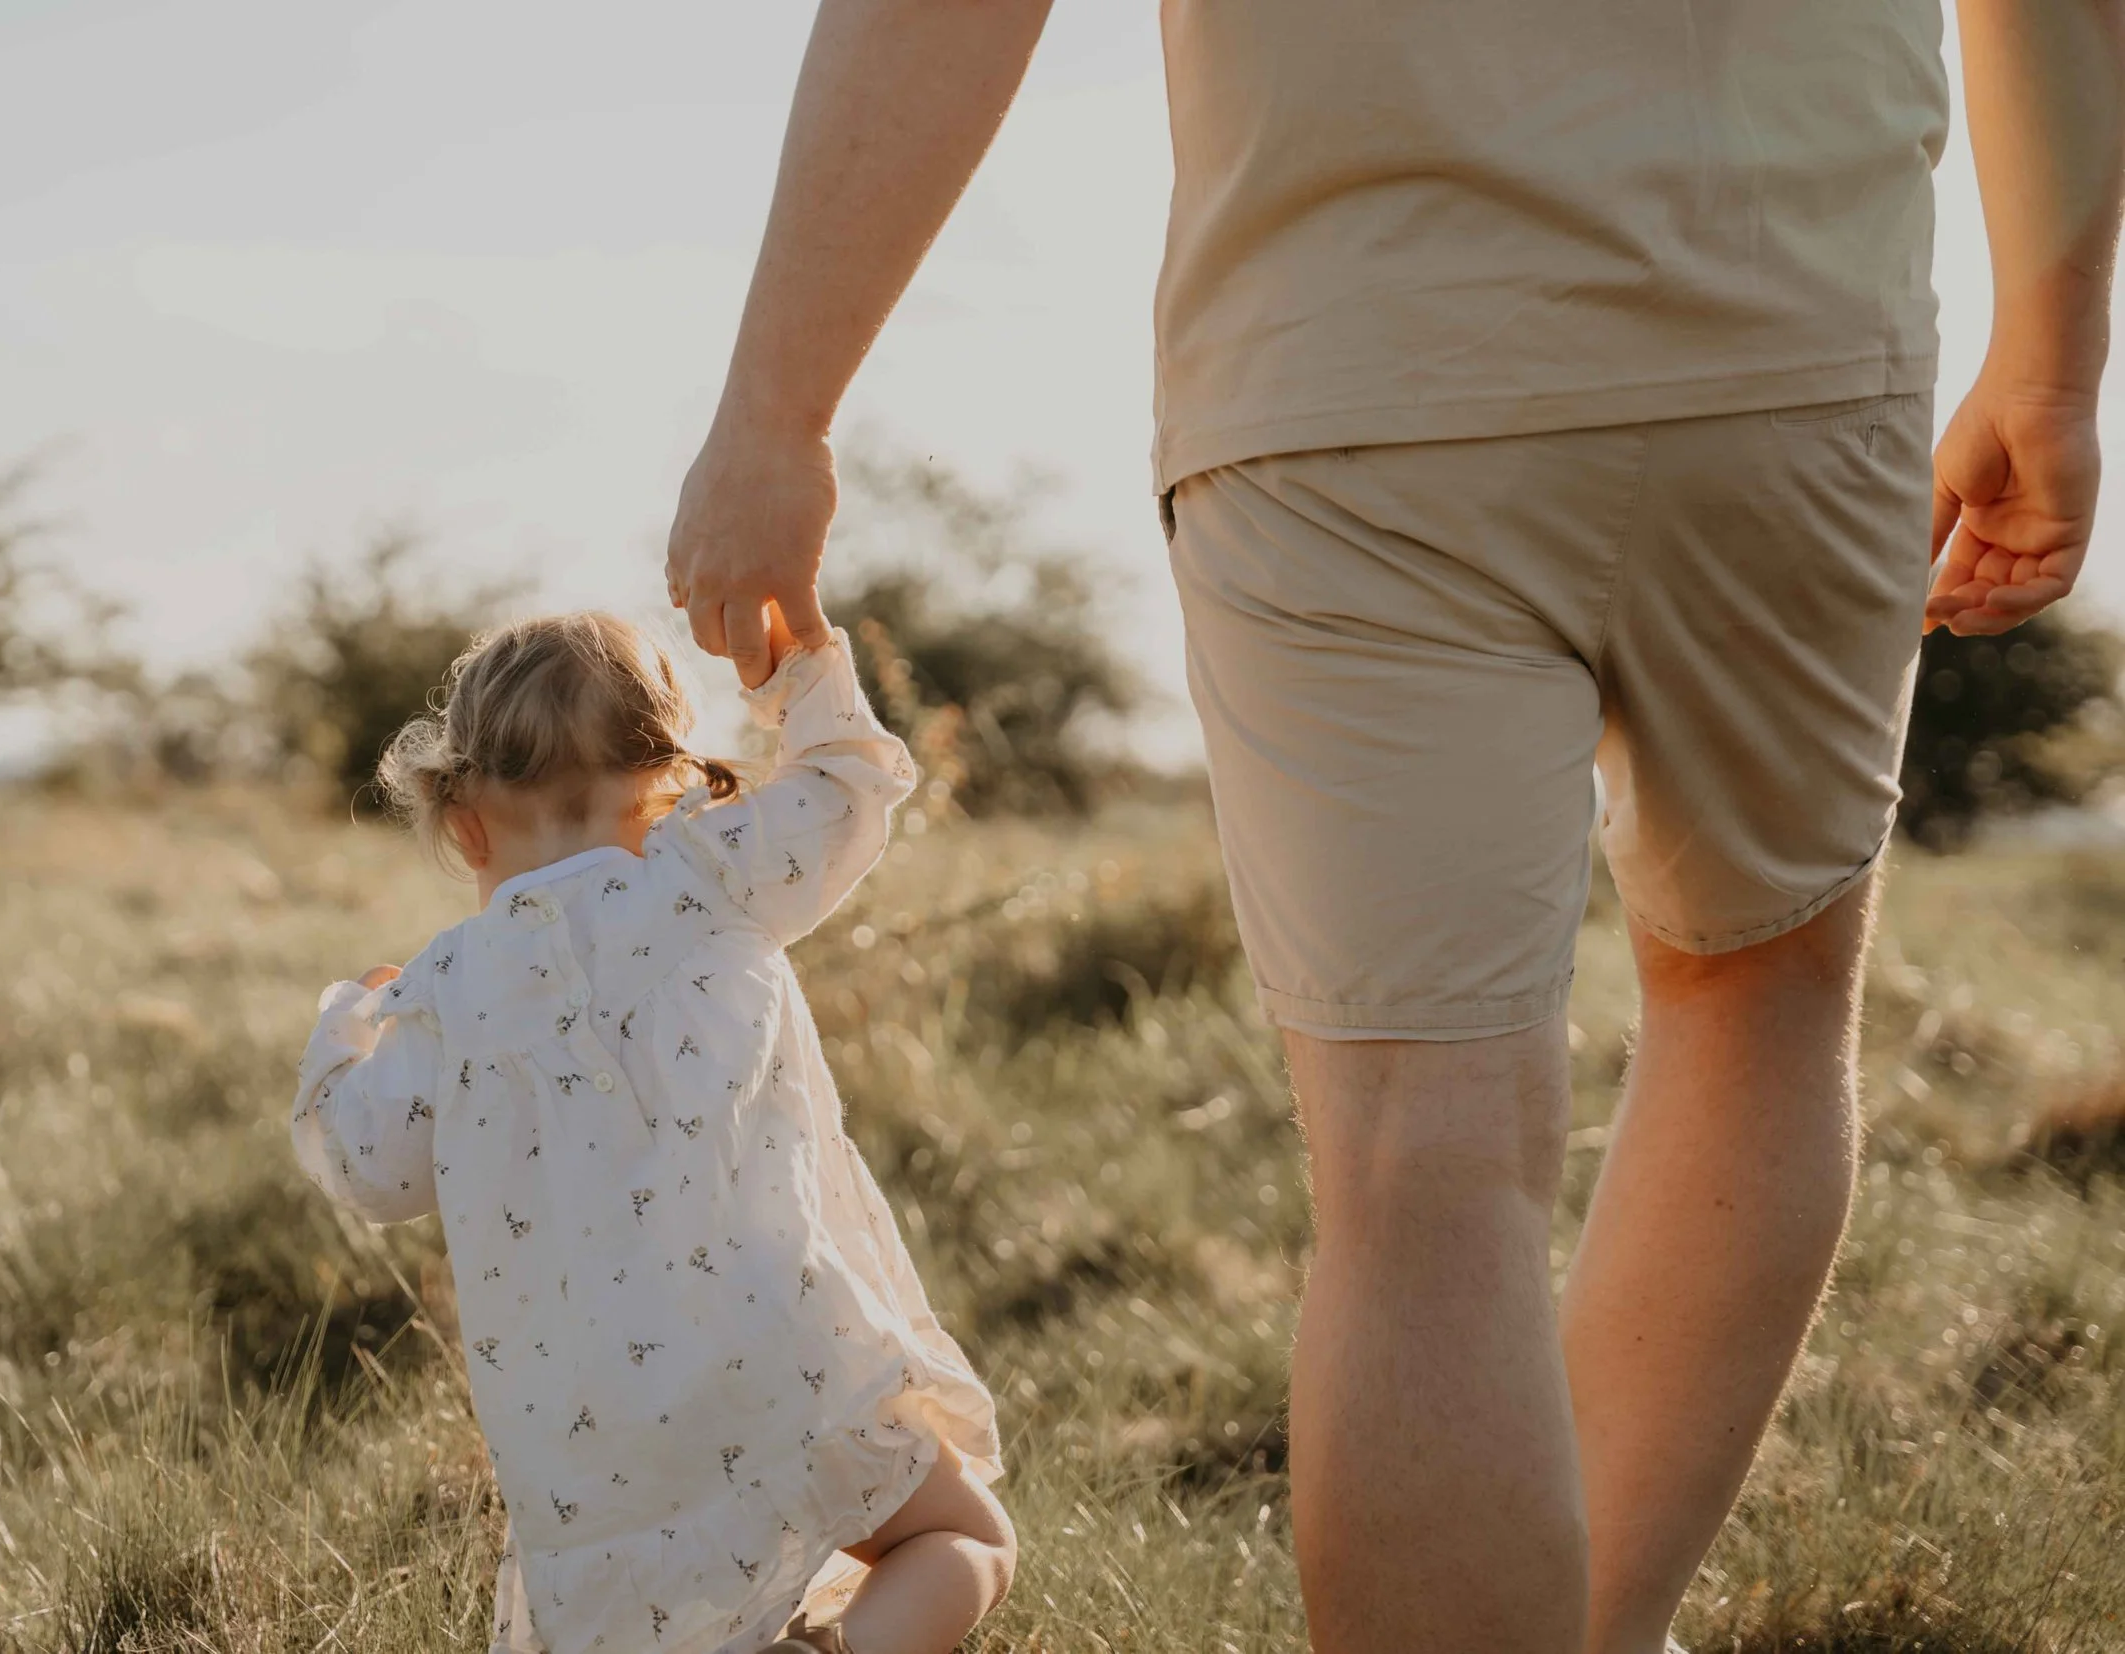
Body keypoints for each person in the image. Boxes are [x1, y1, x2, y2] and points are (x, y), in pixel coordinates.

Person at [662, 3, 2120, 1652]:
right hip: (1789, 337)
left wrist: (782, 412)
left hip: (1346, 369)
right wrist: (2053, 355)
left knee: (1421, 1140)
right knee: (1759, 1002)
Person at [289, 611, 1012, 1654]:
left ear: (464, 823)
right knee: (958, 1538)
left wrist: (345, 1026)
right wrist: (798, 669)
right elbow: (846, 789)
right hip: (780, 1358)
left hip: (587, 1439)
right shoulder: (710, 876)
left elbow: (370, 1167)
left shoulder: (445, 996)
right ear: (670, 787)